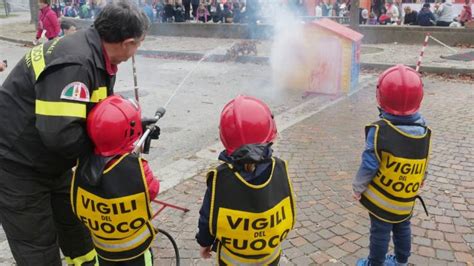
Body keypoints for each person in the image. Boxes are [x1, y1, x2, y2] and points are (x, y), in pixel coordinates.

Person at [0, 1, 149, 265]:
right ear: (127, 42)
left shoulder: (94, 53)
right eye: (138, 44)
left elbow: (91, 112)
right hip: (16, 165)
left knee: (76, 230)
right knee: (38, 246)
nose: (136, 51)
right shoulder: (77, 63)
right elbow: (60, 135)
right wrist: (107, 151)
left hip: (50, 161)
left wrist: (127, 127)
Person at [196, 95, 296, 265]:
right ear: (270, 135)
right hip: (270, 258)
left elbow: (208, 218)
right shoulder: (280, 168)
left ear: (225, 138)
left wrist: (205, 242)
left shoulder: (220, 178)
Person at [354, 65, 431, 266]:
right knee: (403, 225)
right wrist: (422, 178)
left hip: (382, 199)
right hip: (406, 196)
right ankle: (401, 260)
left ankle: (375, 263)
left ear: (381, 98)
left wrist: (358, 187)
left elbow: (369, 163)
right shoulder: (423, 130)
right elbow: (423, 158)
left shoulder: (380, 130)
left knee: (380, 232)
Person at [71, 95, 159, 265]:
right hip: (136, 252)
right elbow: (152, 190)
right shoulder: (137, 168)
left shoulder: (82, 165)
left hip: (102, 251)